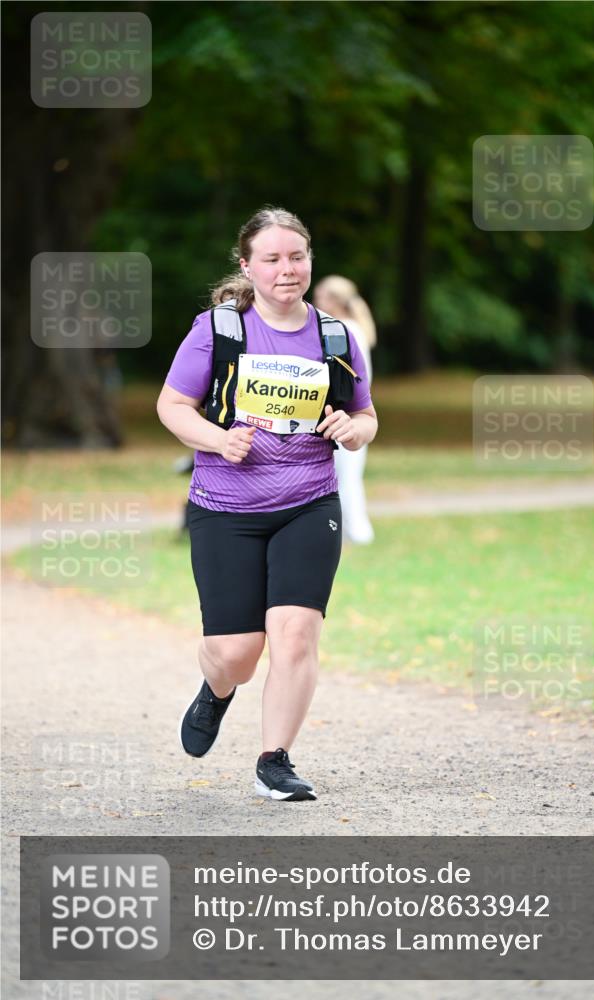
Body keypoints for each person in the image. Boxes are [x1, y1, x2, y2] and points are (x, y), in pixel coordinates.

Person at [156, 207, 377, 802]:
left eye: (297, 257)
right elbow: (173, 406)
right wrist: (217, 439)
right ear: (247, 265)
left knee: (296, 633)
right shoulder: (220, 330)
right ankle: (216, 690)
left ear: (310, 260)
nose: (287, 269)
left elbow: (364, 415)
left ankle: (274, 760)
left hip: (309, 501)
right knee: (237, 654)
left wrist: (353, 431)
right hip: (225, 506)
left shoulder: (336, 335)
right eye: (273, 259)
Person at [313, 276, 377, 545]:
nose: (316, 304)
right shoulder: (354, 328)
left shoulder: (342, 331)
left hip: (346, 414)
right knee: (349, 477)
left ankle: (356, 532)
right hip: (353, 412)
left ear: (333, 301)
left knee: (344, 478)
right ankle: (354, 530)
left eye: (320, 298)